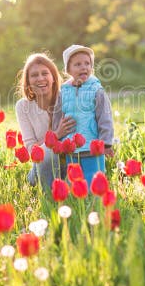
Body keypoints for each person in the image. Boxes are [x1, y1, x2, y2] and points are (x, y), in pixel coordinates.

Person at [53, 44, 114, 185]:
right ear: (68, 69)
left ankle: (94, 203)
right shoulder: (64, 92)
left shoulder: (96, 90)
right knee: (74, 181)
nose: (84, 67)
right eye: (78, 64)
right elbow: (58, 116)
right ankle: (76, 203)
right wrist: (59, 140)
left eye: (87, 63)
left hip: (93, 147)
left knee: (94, 180)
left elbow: (105, 118)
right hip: (71, 149)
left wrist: (106, 142)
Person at [15, 53, 76, 190]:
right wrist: (56, 135)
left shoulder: (67, 99)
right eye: (34, 75)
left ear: (53, 77)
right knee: (47, 154)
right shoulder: (23, 107)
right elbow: (32, 150)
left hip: (69, 163)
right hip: (42, 168)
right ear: (28, 81)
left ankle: (69, 188)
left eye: (45, 73)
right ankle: (50, 195)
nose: (40, 78)